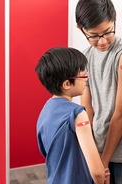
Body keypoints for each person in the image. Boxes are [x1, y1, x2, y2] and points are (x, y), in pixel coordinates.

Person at [35, 47, 109, 184]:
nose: (86, 76)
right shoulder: (77, 114)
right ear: (67, 83)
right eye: (82, 73)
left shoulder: (45, 110)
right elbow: (98, 172)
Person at [75, 0, 122, 183]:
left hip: (118, 155)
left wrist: (102, 162)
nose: (102, 41)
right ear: (81, 30)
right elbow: (87, 108)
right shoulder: (85, 57)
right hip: (99, 148)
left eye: (108, 32)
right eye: (93, 35)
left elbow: (119, 114)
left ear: (114, 20)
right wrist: (94, 154)